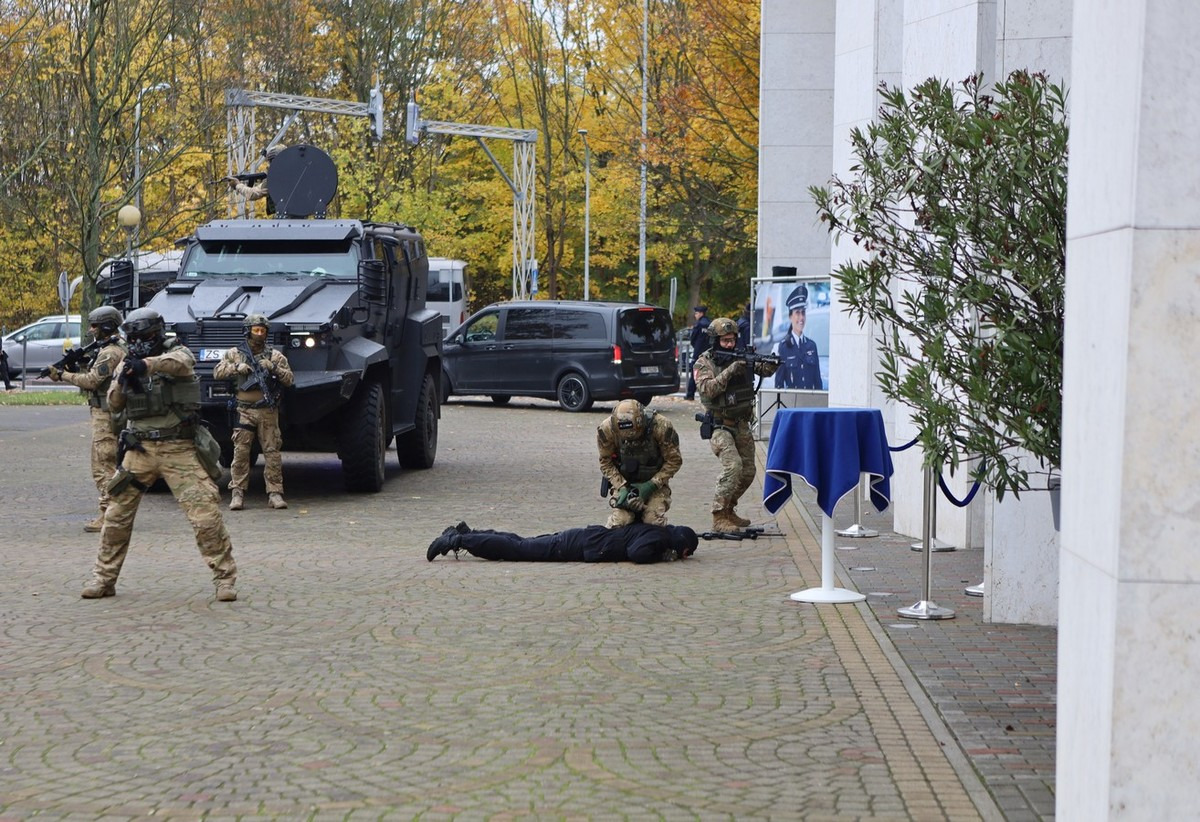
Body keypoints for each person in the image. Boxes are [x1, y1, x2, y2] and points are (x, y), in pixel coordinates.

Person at [80, 307, 238, 601]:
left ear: (156, 333)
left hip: (177, 448)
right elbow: (114, 405)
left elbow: (181, 364)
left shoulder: (176, 353)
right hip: (139, 449)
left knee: (205, 515)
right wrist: (125, 382)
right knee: (116, 516)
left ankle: (225, 579)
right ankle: (103, 579)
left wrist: (147, 366)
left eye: (144, 336)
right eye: (134, 338)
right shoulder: (126, 361)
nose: (138, 343)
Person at [693, 316, 779, 532]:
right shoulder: (704, 362)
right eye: (725, 341)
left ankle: (729, 509)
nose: (730, 344)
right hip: (719, 424)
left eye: (732, 340)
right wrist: (730, 371)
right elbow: (707, 390)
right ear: (715, 341)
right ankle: (718, 516)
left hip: (741, 423)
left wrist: (771, 364)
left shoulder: (740, 357)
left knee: (749, 471)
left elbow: (763, 369)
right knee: (733, 466)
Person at [47, 305, 127, 531]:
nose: (91, 330)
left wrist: (63, 375)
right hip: (104, 414)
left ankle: (110, 515)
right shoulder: (107, 347)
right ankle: (114, 513)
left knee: (105, 466)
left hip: (106, 415)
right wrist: (78, 364)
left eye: (95, 326)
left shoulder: (111, 351)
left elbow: (93, 381)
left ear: (107, 326)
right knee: (101, 465)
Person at [212, 313, 294, 510]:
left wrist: (273, 368)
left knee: (272, 452)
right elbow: (217, 372)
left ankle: (275, 493)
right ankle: (237, 493)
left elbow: (289, 379)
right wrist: (236, 368)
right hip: (244, 410)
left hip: (267, 411)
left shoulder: (275, 355)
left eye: (263, 331)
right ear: (248, 331)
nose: (259, 334)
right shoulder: (234, 354)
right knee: (240, 453)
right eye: (255, 330)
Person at [426, 520, 699, 564]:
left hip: (580, 539)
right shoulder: (660, 538)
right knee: (518, 550)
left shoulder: (659, 531)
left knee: (521, 543)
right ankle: (458, 539)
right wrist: (661, 555)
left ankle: (470, 532)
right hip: (577, 545)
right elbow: (637, 553)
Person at [596, 399, 682, 528]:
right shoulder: (607, 430)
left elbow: (674, 460)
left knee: (652, 522)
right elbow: (605, 462)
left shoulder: (661, 426)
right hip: (624, 482)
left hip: (655, 483)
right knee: (619, 522)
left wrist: (651, 485)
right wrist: (621, 486)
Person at [773, 284, 822, 389]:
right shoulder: (784, 346)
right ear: (790, 316)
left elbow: (818, 381)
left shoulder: (811, 346)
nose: (801, 318)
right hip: (792, 401)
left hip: (810, 401)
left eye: (803, 313)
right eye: (797, 313)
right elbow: (779, 383)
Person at [684, 305, 710, 400]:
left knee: (694, 373)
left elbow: (693, 338)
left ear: (701, 313)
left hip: (698, 353)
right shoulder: (710, 324)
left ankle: (690, 395)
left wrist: (696, 347)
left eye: (696, 313)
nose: (695, 315)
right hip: (708, 353)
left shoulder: (699, 324)